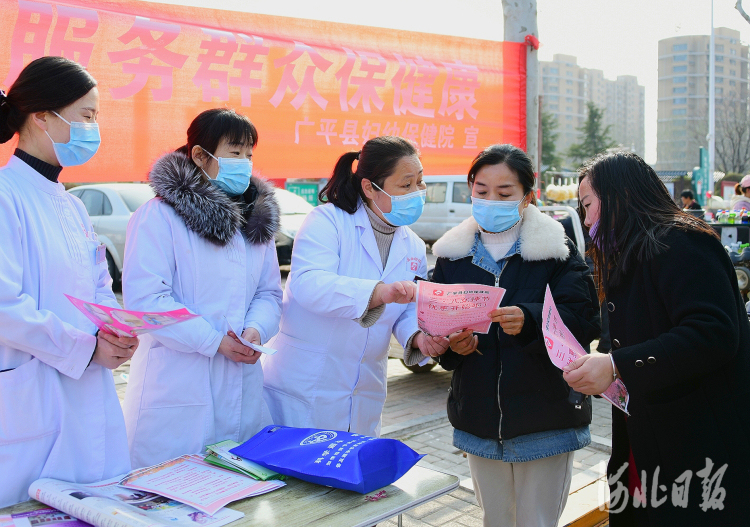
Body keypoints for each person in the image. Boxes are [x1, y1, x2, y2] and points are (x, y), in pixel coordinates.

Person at [566, 151, 750, 526]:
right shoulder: (632, 252)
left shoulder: (682, 242)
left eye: (588, 206)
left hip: (696, 440)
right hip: (646, 434)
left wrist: (617, 365)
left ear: (622, 194)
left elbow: (712, 333)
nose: (586, 221)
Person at [430, 144, 600, 527]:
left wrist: (530, 318)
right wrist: (454, 348)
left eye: (504, 193)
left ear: (528, 196)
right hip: (479, 420)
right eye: (481, 190)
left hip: (546, 418)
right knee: (495, 520)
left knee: (536, 521)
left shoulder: (556, 252)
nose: (491, 200)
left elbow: (584, 320)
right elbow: (437, 327)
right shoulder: (451, 257)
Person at [0, 57, 137, 506]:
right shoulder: (5, 196)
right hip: (30, 398)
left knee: (94, 503)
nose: (93, 128)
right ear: (42, 115)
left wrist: (112, 330)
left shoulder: (72, 204)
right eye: (87, 116)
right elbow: (4, 306)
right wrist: (84, 346)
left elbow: (97, 284)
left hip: (87, 388)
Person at [122, 108, 282, 468]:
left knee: (238, 500)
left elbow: (269, 293)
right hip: (179, 388)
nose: (244, 163)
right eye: (234, 152)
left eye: (248, 155)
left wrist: (255, 331)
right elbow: (146, 300)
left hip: (242, 384)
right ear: (199, 155)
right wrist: (214, 342)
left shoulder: (256, 221)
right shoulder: (160, 215)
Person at [262, 136, 449, 437]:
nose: (418, 192)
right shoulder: (327, 221)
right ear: (369, 188)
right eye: (406, 184)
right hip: (307, 383)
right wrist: (377, 293)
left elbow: (404, 309)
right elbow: (310, 284)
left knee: (348, 471)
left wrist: (418, 337)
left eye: (420, 182)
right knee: (299, 476)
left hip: (365, 389)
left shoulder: (411, 243)